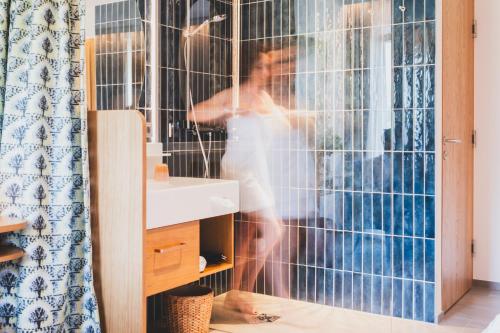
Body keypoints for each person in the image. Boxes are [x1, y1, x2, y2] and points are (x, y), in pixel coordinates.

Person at [188, 39, 314, 315]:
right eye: (261, 66)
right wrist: (225, 112)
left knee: (246, 234)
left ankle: (236, 292)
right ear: (250, 68)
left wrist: (298, 116)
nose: (266, 72)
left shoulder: (264, 98)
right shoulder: (235, 95)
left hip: (259, 171)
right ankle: (243, 292)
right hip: (240, 171)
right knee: (274, 229)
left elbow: (280, 123)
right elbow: (193, 113)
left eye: (268, 67)